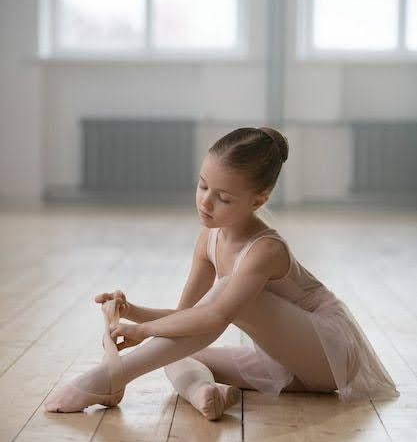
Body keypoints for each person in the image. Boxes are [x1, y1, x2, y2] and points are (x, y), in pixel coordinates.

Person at [44, 126, 400, 419]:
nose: (205, 202)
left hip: (329, 354)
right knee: (179, 353)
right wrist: (133, 312)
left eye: (223, 198)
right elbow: (189, 317)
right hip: (287, 362)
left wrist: (143, 330)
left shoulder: (266, 250)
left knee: (224, 297)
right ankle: (204, 393)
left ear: (258, 200)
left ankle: (111, 376)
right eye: (203, 186)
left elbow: (215, 314)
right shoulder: (209, 240)